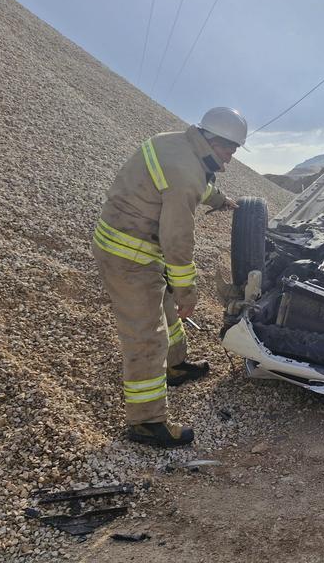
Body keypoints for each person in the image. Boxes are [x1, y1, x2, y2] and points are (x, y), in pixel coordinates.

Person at [92, 107, 245, 448]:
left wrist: (221, 200)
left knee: (167, 314)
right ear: (211, 139)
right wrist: (186, 291)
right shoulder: (185, 173)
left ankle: (174, 367)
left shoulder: (175, 144)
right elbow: (177, 242)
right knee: (146, 336)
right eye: (228, 150)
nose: (230, 159)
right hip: (129, 256)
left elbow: (195, 186)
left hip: (127, 241)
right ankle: (146, 422)